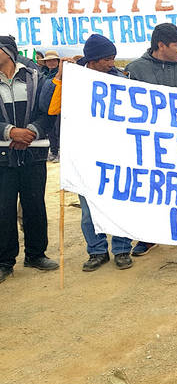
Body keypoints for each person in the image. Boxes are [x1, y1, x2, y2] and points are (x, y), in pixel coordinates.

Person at [45, 34, 135, 271]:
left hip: (116, 153)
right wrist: (61, 77)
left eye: (113, 58)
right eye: (106, 59)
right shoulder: (73, 80)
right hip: (84, 154)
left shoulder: (120, 78)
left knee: (119, 203)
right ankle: (96, 251)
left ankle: (122, 249)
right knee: (88, 209)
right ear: (93, 59)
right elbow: (53, 109)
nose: (111, 64)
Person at [125, 23, 177, 255]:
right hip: (147, 145)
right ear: (161, 45)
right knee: (150, 190)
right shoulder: (135, 70)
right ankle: (147, 237)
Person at [0, 35, 59, 284]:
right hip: (3, 156)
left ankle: (36, 254)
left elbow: (48, 112)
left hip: (33, 153)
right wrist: (10, 132)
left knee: (34, 204)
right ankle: (4, 261)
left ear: (9, 52)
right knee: (3, 209)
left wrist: (32, 130)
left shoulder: (35, 78)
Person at [36, 50, 62, 162]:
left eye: (53, 60)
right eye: (48, 61)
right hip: (46, 107)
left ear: (57, 61)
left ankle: (59, 152)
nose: (51, 63)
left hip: (59, 107)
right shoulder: (43, 75)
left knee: (59, 130)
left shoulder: (63, 74)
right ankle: (54, 151)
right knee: (51, 130)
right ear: (45, 63)